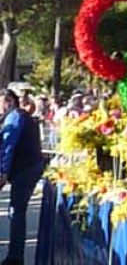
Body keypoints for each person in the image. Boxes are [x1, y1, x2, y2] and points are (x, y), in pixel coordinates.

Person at [0, 89, 47, 265]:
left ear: (9, 101)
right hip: (28, 167)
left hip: (25, 168)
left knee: (16, 211)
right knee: (16, 210)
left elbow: (8, 145)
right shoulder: (15, 117)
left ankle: (15, 257)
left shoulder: (15, 116)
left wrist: (2, 172)